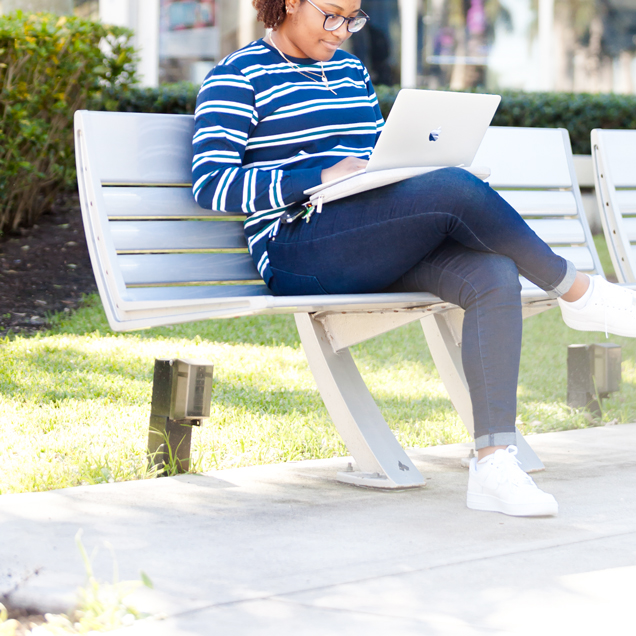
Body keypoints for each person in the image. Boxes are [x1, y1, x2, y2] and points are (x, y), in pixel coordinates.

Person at [192, 0, 636, 517]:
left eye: (352, 18)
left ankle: (493, 462)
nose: (341, 31)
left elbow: (377, 161)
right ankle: (578, 292)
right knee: (453, 187)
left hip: (367, 238)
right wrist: (316, 177)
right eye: (331, 15)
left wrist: (395, 171)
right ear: (290, 3)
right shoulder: (238, 74)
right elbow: (210, 183)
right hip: (296, 247)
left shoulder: (349, 71)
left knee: (493, 272)